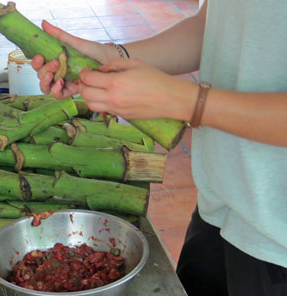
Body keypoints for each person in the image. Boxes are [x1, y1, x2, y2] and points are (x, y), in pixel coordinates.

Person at [31, 0, 287, 295]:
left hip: (277, 242)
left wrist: (187, 102)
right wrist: (111, 57)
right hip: (221, 207)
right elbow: (213, 25)